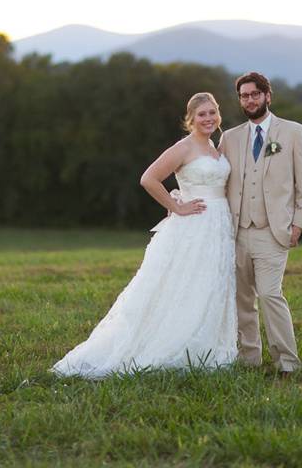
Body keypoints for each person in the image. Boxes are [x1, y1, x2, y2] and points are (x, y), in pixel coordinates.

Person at [51, 93, 237, 378]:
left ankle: (205, 346)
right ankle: (170, 344)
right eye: (202, 114)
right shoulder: (184, 147)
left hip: (219, 227)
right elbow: (148, 178)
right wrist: (176, 205)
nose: (208, 118)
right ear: (191, 119)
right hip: (195, 226)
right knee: (183, 286)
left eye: (212, 112)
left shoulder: (215, 147)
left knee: (209, 284)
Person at [219, 72, 302, 375]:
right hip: (236, 232)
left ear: (267, 96)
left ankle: (287, 362)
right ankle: (249, 359)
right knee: (242, 300)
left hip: (274, 232)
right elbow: (217, 180)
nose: (249, 100)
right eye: (244, 96)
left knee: (271, 294)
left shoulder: (293, 132)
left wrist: (299, 224)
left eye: (254, 94)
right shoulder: (229, 138)